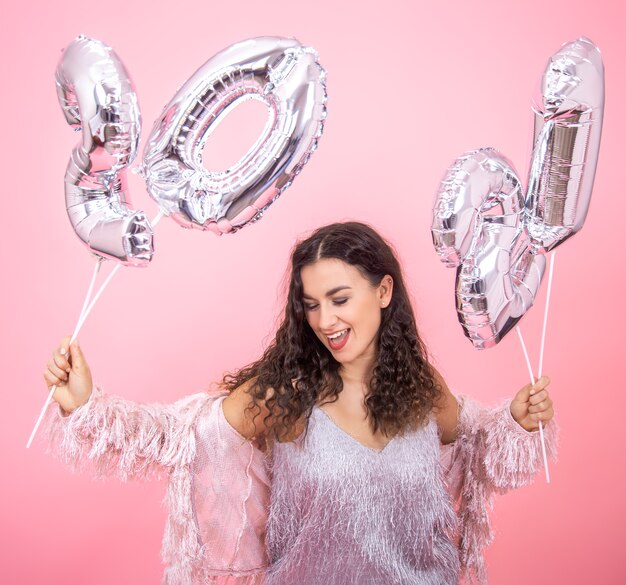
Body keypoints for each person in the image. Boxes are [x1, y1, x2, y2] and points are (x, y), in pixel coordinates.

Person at [43, 221, 556, 585]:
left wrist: (516, 419)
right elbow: (182, 436)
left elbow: (474, 442)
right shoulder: (285, 393)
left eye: (339, 299)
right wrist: (86, 403)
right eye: (311, 305)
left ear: (383, 292)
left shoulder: (421, 389)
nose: (324, 321)